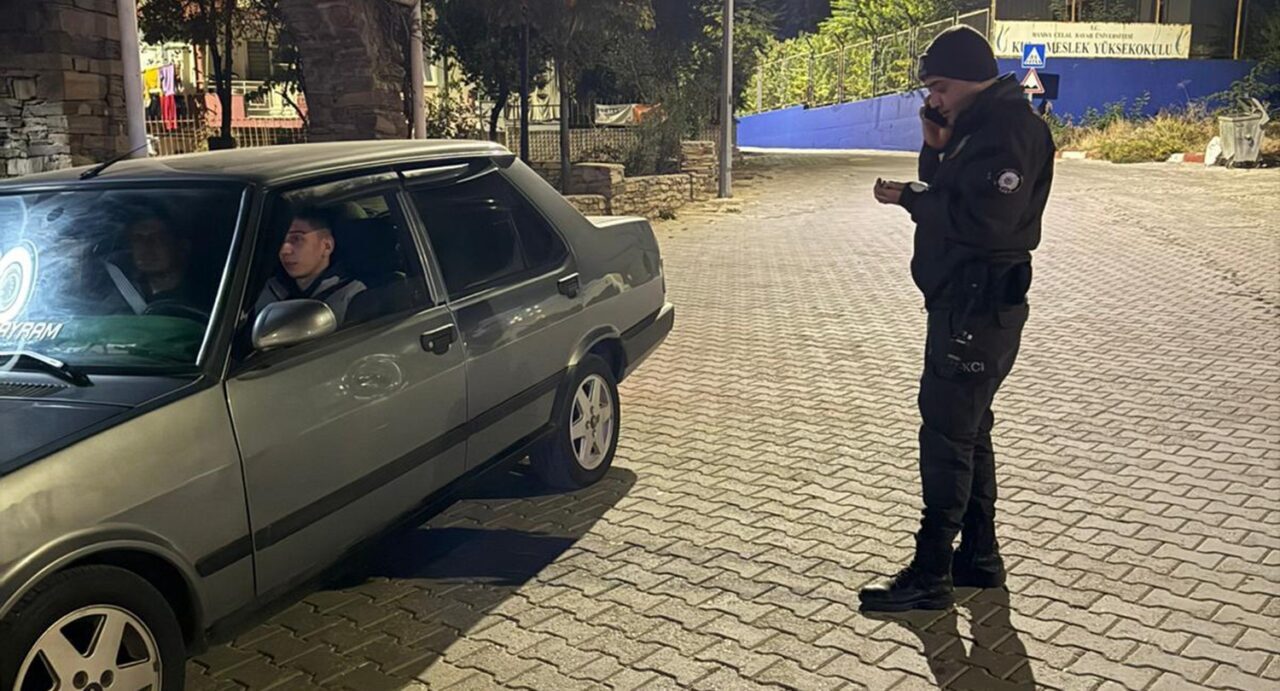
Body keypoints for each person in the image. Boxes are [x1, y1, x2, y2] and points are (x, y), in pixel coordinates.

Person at [861, 25, 1055, 612]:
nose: (933, 98)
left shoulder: (1010, 131)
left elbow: (984, 222)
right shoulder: (974, 126)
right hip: (963, 301)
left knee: (946, 434)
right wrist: (935, 144)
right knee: (969, 431)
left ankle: (931, 572)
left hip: (979, 304)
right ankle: (979, 557)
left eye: (940, 87)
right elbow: (948, 187)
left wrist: (911, 198)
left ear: (972, 80)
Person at [254, 207, 365, 326]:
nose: (284, 250)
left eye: (296, 238)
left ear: (327, 246)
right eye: (280, 240)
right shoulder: (266, 289)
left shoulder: (352, 296)